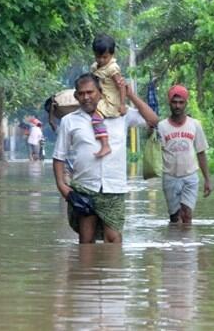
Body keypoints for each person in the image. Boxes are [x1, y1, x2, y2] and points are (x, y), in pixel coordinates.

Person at [52, 73, 158, 244]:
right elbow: (59, 156)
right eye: (82, 93)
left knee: (113, 240)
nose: (86, 97)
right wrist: (62, 187)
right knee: (86, 241)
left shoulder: (121, 113)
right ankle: (87, 271)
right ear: (76, 96)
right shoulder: (69, 121)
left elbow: (153, 120)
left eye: (90, 92)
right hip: (84, 188)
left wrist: (129, 94)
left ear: (100, 92)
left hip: (114, 188)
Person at [157, 85, 212, 224]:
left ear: (186, 103)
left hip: (190, 176)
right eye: (174, 102)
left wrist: (207, 180)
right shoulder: (162, 126)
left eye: (181, 102)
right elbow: (155, 152)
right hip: (170, 177)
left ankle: (188, 244)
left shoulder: (195, 125)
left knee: (187, 215)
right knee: (175, 218)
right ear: (169, 103)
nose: (177, 106)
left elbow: (201, 152)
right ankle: (175, 244)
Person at [89, 34, 127, 158]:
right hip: (100, 97)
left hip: (110, 101)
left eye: (105, 57)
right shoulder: (95, 67)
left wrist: (122, 104)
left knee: (95, 118)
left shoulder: (112, 68)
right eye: (98, 57)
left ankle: (105, 145)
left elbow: (121, 86)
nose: (101, 60)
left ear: (112, 54)